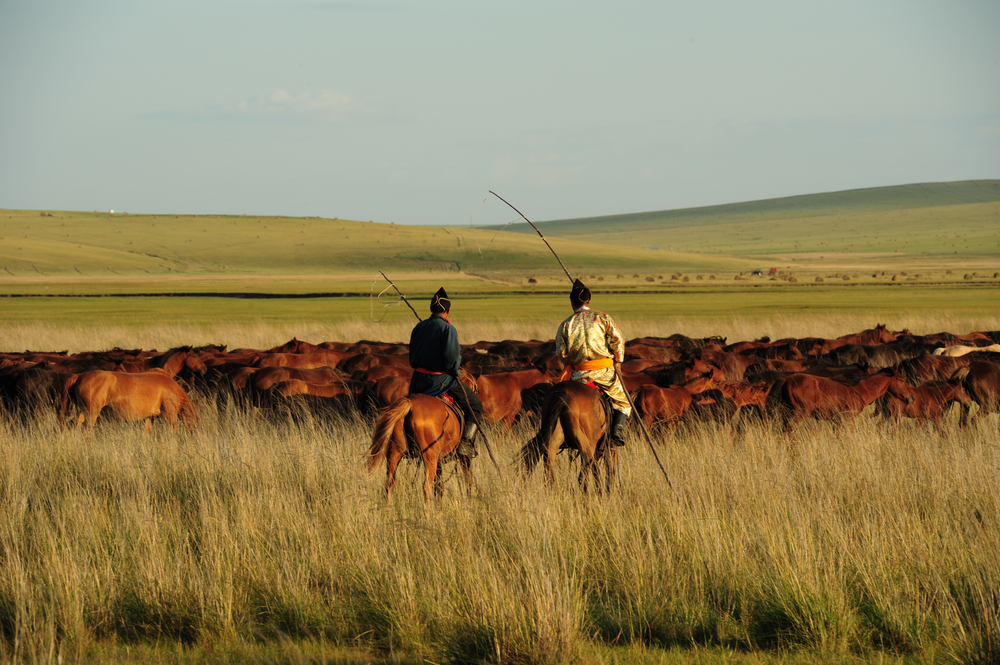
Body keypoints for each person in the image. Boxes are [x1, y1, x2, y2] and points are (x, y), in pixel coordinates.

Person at [408, 287, 484, 457]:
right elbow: (451, 360)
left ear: (431, 309)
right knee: (476, 406)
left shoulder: (419, 327)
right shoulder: (449, 329)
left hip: (418, 381)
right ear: (448, 310)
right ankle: (465, 444)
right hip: (440, 381)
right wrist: (456, 371)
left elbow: (412, 360)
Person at [555, 279, 631, 445]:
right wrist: (618, 360)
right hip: (605, 373)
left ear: (572, 302)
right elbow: (618, 340)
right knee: (623, 400)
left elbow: (561, 352)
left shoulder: (566, 324)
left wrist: (571, 362)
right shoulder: (602, 317)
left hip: (578, 375)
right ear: (588, 301)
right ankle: (617, 432)